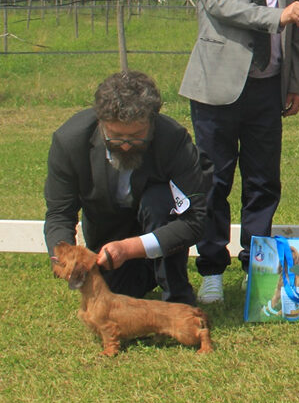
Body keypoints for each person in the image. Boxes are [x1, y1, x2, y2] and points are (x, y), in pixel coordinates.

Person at [180, 0, 299, 303]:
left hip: (268, 86)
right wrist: (277, 15)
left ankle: (259, 270)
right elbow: (219, 4)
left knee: (263, 182)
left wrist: (296, 82)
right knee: (215, 180)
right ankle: (212, 268)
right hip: (216, 87)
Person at [44, 70, 212, 305]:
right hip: (107, 245)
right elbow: (59, 214)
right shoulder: (69, 141)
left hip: (161, 233)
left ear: (152, 122)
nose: (124, 146)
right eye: (115, 136)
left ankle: (177, 298)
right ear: (101, 122)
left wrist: (130, 248)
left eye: (136, 136)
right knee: (119, 294)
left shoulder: (174, 141)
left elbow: (195, 220)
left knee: (159, 200)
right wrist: (63, 257)